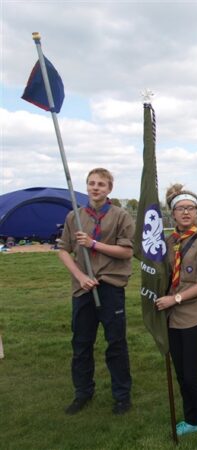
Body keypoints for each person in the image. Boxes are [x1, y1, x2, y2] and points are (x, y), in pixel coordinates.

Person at [58, 168, 134, 415]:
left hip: (110, 286)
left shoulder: (120, 216)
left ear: (109, 188)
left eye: (101, 184)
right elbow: (63, 250)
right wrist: (80, 277)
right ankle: (83, 393)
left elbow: (126, 251)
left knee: (116, 343)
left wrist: (93, 244)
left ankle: (122, 396)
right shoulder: (75, 217)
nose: (95, 187)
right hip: (83, 289)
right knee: (81, 344)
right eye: (91, 183)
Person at [155, 184, 197, 450]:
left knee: (194, 375)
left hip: (195, 317)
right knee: (181, 374)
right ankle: (192, 419)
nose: (185, 212)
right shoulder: (168, 243)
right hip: (172, 318)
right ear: (172, 214)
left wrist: (177, 298)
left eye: (190, 208)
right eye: (180, 208)